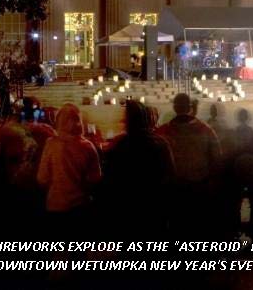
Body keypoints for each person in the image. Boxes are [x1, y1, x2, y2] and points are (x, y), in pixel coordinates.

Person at [101, 100, 175, 239]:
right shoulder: (161, 143)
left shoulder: (120, 146)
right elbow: (170, 177)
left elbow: (110, 182)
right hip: (155, 209)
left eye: (124, 119)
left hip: (129, 212)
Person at [157, 93, 222, 237]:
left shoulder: (163, 132)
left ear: (174, 108)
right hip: (199, 186)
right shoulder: (206, 130)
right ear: (190, 108)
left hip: (174, 189)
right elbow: (217, 158)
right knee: (198, 227)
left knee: (178, 228)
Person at [36, 103, 102, 236]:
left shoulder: (50, 144)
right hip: (80, 205)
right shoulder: (87, 147)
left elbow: (42, 178)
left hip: (55, 206)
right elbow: (96, 178)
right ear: (79, 122)